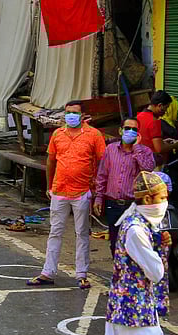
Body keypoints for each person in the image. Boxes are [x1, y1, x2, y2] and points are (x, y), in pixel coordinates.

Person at [103, 171, 171, 335]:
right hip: (126, 312)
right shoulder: (134, 229)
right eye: (162, 198)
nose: (165, 203)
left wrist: (160, 244)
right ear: (147, 199)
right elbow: (155, 271)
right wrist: (160, 249)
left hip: (146, 310)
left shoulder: (146, 224)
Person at [28, 100, 106, 289]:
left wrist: (97, 191)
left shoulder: (94, 135)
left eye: (74, 112)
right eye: (68, 112)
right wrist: (49, 186)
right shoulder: (58, 134)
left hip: (82, 192)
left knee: (82, 233)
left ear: (83, 116)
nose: (70, 115)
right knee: (55, 232)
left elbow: (103, 163)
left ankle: (81, 274)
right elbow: (51, 162)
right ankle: (48, 272)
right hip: (60, 190)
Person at [93, 117, 156, 256]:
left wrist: (137, 148)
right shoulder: (110, 149)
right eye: (128, 128)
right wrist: (98, 198)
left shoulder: (144, 151)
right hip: (113, 204)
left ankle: (131, 276)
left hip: (134, 206)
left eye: (135, 129)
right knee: (115, 242)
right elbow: (102, 175)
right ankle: (118, 275)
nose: (131, 132)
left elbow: (148, 170)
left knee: (133, 244)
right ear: (121, 130)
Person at [136, 90, 172, 160]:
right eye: (166, 108)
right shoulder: (154, 121)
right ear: (160, 106)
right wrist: (175, 145)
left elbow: (145, 140)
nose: (166, 111)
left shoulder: (138, 116)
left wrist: (163, 142)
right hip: (150, 161)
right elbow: (159, 149)